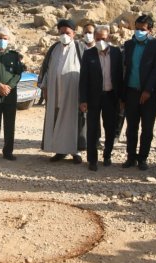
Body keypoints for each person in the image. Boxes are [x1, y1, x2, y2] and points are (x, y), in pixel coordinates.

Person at [39, 19, 86, 164]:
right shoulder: (54, 49)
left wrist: (85, 96)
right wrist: (45, 89)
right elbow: (46, 70)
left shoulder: (80, 48)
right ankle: (60, 150)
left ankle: (75, 152)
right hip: (55, 92)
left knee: (74, 121)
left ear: (74, 33)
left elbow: (87, 72)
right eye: (62, 33)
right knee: (57, 120)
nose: (64, 35)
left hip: (73, 94)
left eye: (67, 33)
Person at [122, 15, 156, 171]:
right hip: (131, 92)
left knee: (147, 128)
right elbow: (125, 68)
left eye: (143, 29)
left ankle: (143, 158)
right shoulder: (128, 44)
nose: (139, 32)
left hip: (149, 94)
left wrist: (148, 90)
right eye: (137, 28)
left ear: (150, 30)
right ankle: (131, 157)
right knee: (131, 127)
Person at [79, 25, 123, 171]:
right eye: (97, 39)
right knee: (92, 129)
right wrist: (83, 100)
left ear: (108, 38)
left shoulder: (116, 53)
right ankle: (92, 160)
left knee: (110, 127)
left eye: (103, 39)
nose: (100, 42)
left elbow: (120, 76)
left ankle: (107, 155)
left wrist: (121, 98)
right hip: (93, 97)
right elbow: (83, 78)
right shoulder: (89, 53)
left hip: (111, 96)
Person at [0, 26, 23, 163]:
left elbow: (18, 74)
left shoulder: (13, 55)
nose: (2, 41)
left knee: (9, 126)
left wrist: (9, 87)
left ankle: (8, 152)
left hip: (10, 97)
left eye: (5, 39)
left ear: (9, 40)